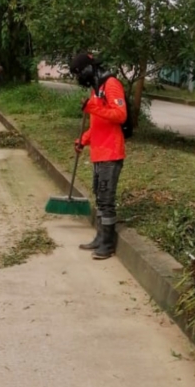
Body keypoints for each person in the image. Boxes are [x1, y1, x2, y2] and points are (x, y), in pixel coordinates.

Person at [69, 52, 127, 260]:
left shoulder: (111, 85)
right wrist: (83, 140)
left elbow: (121, 115)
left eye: (79, 72)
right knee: (100, 199)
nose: (78, 77)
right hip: (98, 152)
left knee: (106, 200)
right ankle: (100, 238)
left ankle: (107, 244)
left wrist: (93, 107)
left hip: (111, 152)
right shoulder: (97, 89)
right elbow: (97, 123)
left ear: (89, 68)